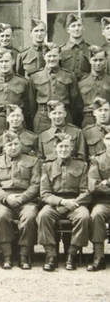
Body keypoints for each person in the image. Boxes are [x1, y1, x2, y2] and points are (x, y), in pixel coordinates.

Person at [37, 133, 91, 271]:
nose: (63, 149)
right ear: (55, 148)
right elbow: (44, 193)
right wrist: (61, 202)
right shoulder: (47, 166)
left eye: (66, 146)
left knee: (84, 217)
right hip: (55, 203)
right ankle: (51, 255)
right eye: (60, 146)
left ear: (72, 147)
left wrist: (69, 205)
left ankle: (71, 255)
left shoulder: (82, 165)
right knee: (43, 216)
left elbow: (86, 191)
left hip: (76, 203)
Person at [0, 131, 40, 270]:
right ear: (4, 147)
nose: (13, 147)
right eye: (9, 145)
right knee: (1, 216)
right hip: (3, 200)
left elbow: (36, 184)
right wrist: (6, 197)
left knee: (29, 216)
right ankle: (7, 256)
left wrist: (22, 198)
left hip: (26, 200)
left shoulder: (32, 161)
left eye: (16, 144)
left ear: (21, 144)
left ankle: (24, 255)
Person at [29, 44, 80, 133]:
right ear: (44, 56)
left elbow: (74, 100)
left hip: (64, 115)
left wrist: (66, 112)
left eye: (54, 56)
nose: (52, 59)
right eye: (49, 56)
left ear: (60, 56)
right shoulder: (35, 76)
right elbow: (31, 102)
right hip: (42, 116)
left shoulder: (69, 75)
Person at [0, 49, 31, 138]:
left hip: (17, 120)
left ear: (13, 62)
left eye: (6, 61)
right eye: (1, 61)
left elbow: (28, 106)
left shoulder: (23, 82)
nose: (4, 64)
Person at [87, 129, 110, 271]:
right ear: (104, 141)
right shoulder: (97, 159)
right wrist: (103, 183)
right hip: (104, 201)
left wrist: (106, 182)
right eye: (108, 138)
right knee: (97, 214)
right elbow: (94, 185)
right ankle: (99, 256)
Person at [78, 46, 110, 128]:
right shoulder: (82, 83)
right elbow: (76, 106)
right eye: (95, 60)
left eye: (101, 60)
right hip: (88, 120)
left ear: (106, 60)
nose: (98, 63)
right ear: (90, 60)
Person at [59, 13, 92, 81]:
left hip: (86, 88)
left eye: (79, 25)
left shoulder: (90, 49)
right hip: (66, 88)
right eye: (73, 26)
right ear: (68, 29)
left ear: (83, 28)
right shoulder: (60, 50)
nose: (76, 28)